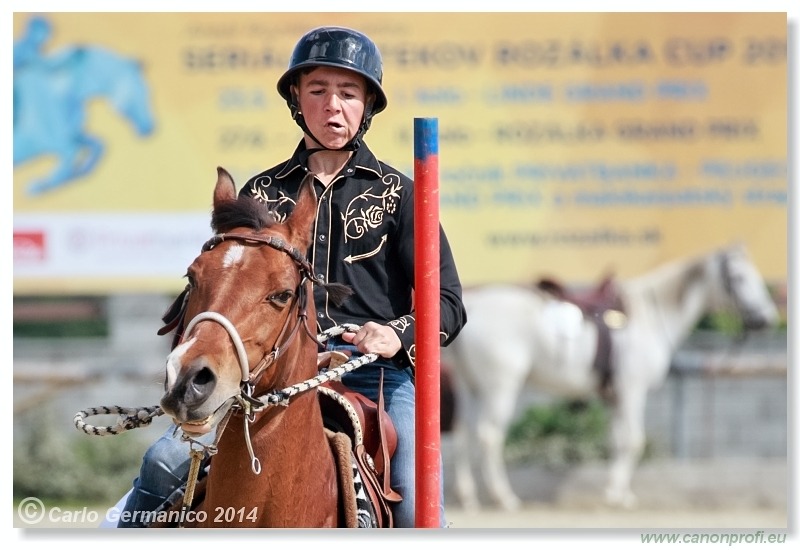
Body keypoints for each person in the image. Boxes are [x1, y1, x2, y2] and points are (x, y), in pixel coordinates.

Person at [117, 25, 466, 529]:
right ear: (297, 101)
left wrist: (394, 333)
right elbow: (226, 288)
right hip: (262, 376)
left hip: (374, 376)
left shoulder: (401, 195)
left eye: (348, 93)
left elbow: (449, 304)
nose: (333, 106)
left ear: (367, 104)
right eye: (318, 91)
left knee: (415, 502)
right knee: (161, 464)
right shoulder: (260, 192)